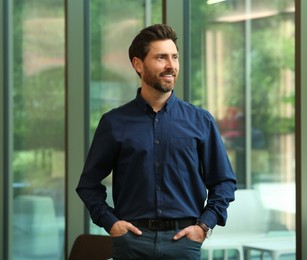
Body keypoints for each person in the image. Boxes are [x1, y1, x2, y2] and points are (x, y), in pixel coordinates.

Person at [76, 24, 237, 260]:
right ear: (138, 64)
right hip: (132, 243)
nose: (171, 65)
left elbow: (223, 181)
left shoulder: (200, 120)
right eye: (161, 57)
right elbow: (88, 184)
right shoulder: (114, 122)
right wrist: (111, 223)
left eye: (174, 57)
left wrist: (204, 226)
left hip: (183, 243)